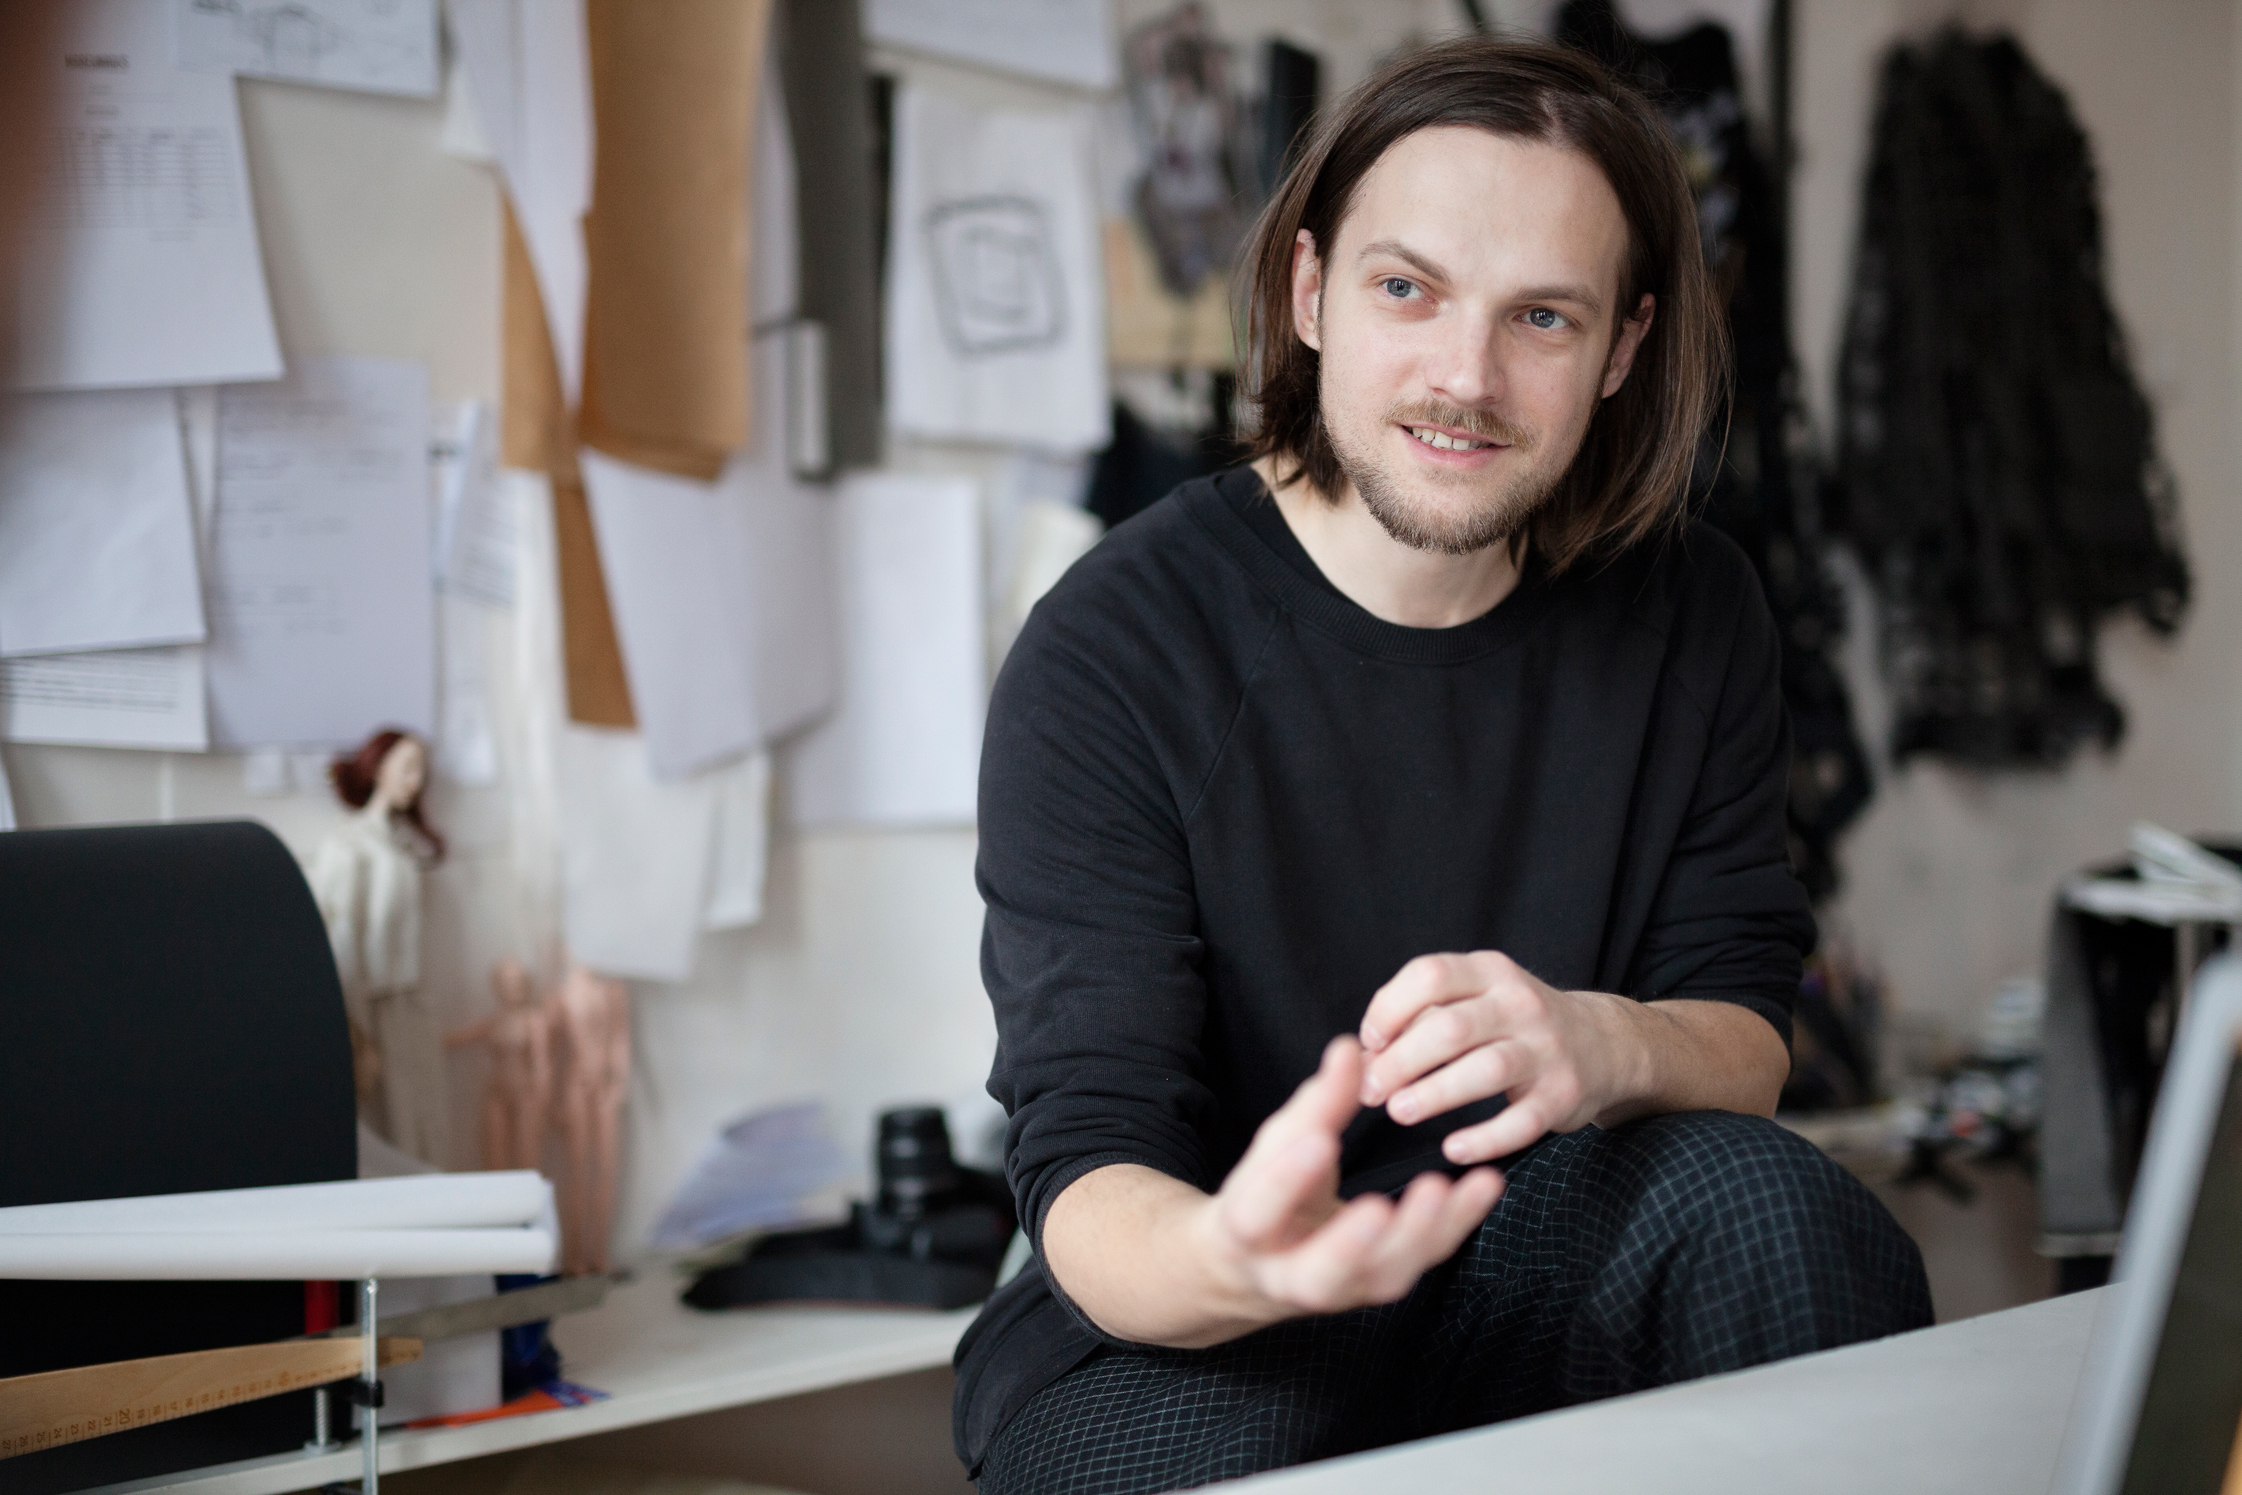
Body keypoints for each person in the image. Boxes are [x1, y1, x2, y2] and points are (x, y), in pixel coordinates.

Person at [955, 37, 1931, 1494]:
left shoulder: (1691, 611)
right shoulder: (1114, 646)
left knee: (1781, 1212)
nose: (1464, 377)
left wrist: (1605, 1041)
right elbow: (1090, 1163)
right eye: (1406, 289)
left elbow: (1741, 1029)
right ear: (1310, 292)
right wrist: (1234, 1255)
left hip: (1527, 1248)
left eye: (1540, 316)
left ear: (1620, 349)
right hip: (1193, 1319)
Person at [309, 728, 453, 1164]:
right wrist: (356, 1032)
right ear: (378, 769)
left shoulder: (402, 845)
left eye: (421, 771)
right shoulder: (349, 845)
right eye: (407, 768)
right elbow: (340, 942)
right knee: (385, 1136)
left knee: (425, 1127)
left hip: (410, 1009)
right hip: (371, 1011)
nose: (415, 781)